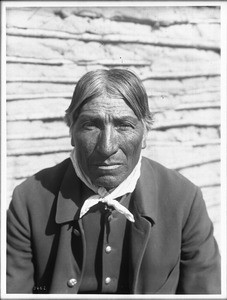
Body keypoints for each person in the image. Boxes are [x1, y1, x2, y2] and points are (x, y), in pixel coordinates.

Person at [7, 69, 221, 294]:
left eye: (124, 125)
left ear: (145, 133)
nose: (107, 147)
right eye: (91, 125)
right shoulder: (29, 202)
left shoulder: (184, 201)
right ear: (71, 131)